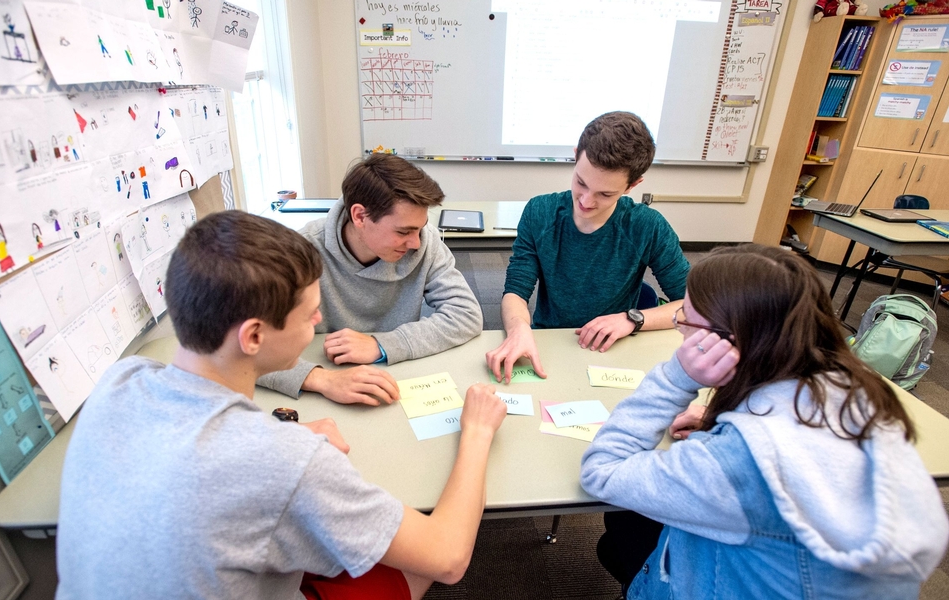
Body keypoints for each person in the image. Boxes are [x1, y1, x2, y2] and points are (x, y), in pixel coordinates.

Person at [56, 211, 508, 600]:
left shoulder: (121, 378)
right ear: (254, 336)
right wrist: (478, 432)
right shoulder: (289, 464)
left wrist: (286, 439)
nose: (318, 322)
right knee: (413, 565)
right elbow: (448, 557)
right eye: (310, 314)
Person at [580, 244, 948, 599]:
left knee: (621, 528)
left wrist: (678, 377)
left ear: (726, 341)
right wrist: (721, 416)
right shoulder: (856, 392)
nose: (679, 327)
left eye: (684, 318)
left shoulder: (731, 464)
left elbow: (602, 471)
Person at [260, 153, 483, 406]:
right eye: (403, 232)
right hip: (323, 376)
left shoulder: (425, 241)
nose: (416, 242)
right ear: (360, 216)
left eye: (420, 228)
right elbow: (240, 347)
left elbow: (466, 314)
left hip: (395, 375)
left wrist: (383, 344)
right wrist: (322, 380)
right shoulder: (300, 251)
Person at [486, 111, 690, 383]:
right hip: (549, 340)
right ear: (575, 156)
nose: (586, 201)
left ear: (632, 185)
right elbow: (516, 290)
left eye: (605, 194)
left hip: (615, 348)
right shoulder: (540, 213)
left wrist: (634, 319)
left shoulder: (646, 226)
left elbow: (695, 306)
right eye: (581, 182)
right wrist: (518, 329)